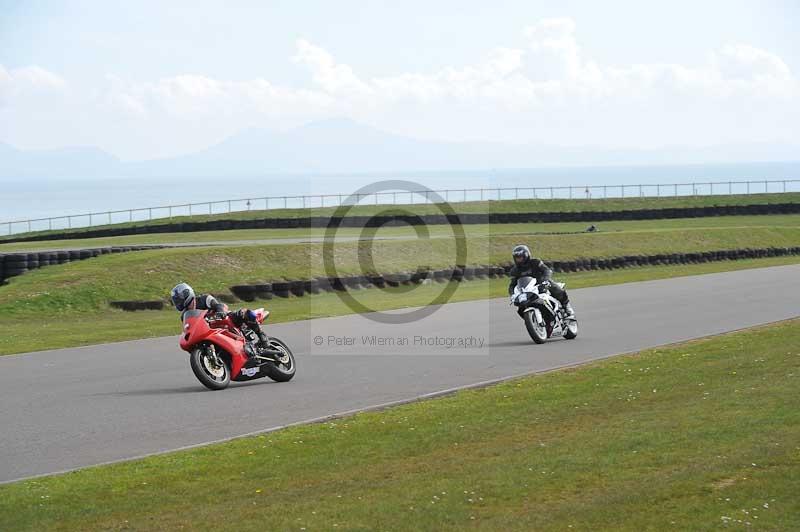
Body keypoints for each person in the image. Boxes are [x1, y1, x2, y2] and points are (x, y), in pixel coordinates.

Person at [170, 282, 269, 352]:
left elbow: (219, 305)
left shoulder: (204, 299)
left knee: (243, 313)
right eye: (176, 301)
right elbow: (189, 328)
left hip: (224, 320)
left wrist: (220, 312)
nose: (178, 302)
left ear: (187, 295)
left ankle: (261, 335)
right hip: (210, 331)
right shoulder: (185, 315)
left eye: (179, 299)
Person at [507, 245, 575, 317]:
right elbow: (512, 284)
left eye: (520, 257)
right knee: (521, 307)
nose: (518, 260)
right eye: (517, 258)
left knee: (554, 287)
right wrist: (512, 295)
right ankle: (533, 320)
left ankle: (566, 305)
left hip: (541, 283)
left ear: (526, 255)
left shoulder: (536, 262)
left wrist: (545, 279)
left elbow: (547, 270)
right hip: (528, 290)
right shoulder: (515, 270)